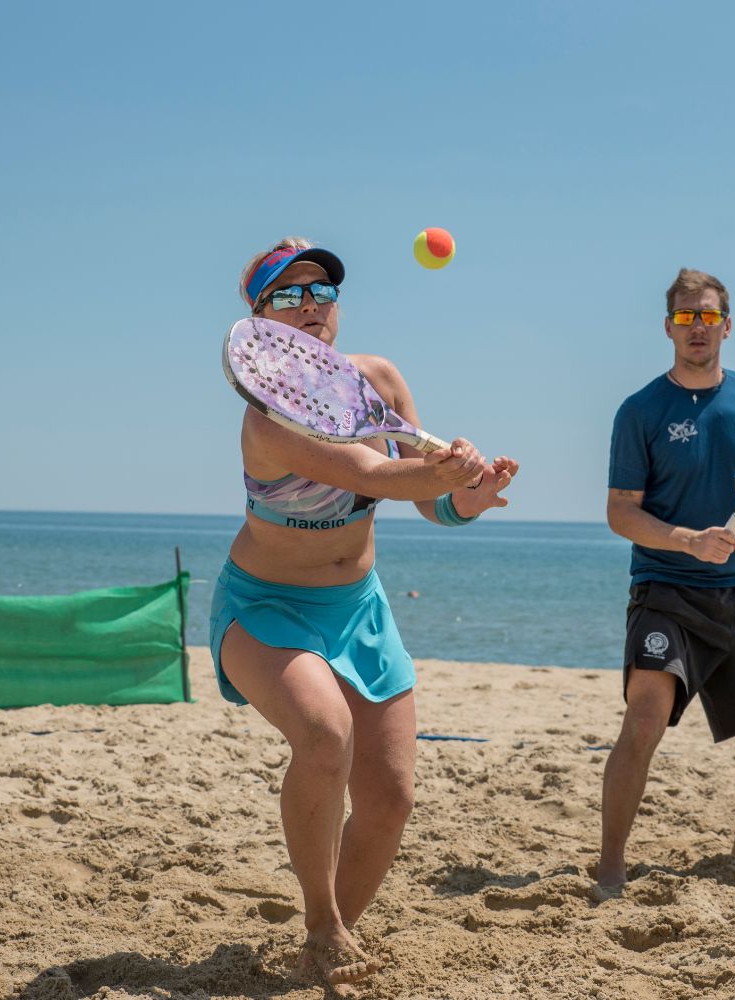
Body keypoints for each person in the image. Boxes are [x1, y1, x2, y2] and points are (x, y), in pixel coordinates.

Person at [210, 238, 518, 986]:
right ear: (258, 320)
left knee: (388, 801)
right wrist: (434, 471)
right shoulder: (266, 423)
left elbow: (428, 504)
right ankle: (319, 917)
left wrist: (463, 499)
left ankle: (326, 942)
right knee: (322, 734)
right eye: (287, 295)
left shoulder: (376, 380)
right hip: (266, 609)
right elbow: (376, 472)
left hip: (359, 609)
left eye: (321, 291)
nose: (309, 304)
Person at [597, 267, 735, 889]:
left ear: (726, 326)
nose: (697, 327)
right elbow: (620, 512)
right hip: (665, 591)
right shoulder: (640, 410)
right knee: (644, 720)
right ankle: (610, 862)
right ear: (668, 327)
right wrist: (686, 539)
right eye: (685, 317)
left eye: (707, 316)